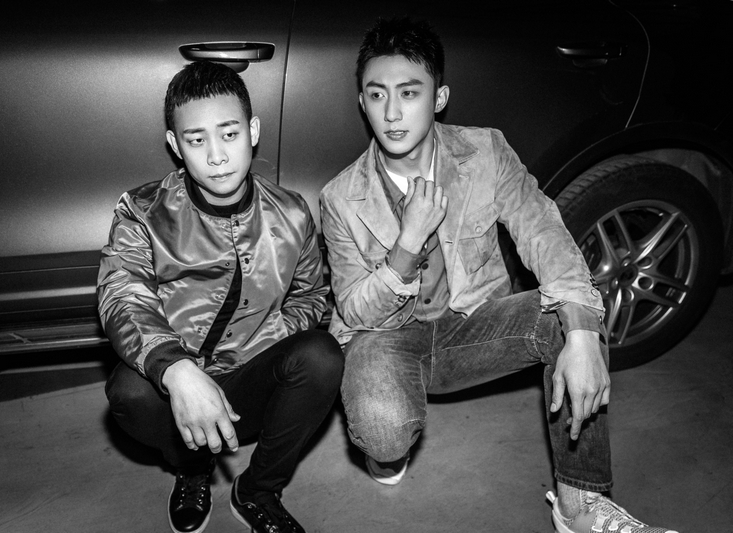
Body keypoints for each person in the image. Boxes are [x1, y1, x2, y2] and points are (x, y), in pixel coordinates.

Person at [320, 17, 677, 533]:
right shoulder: (340, 197)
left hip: (473, 329)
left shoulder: (485, 152)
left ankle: (580, 506)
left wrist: (582, 333)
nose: (391, 113)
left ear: (439, 98)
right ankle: (387, 447)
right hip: (386, 337)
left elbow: (541, 228)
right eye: (377, 95)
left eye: (409, 93)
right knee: (384, 430)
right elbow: (354, 310)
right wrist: (407, 244)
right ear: (362, 102)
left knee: (572, 313)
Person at [99, 59, 343, 533]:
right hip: (176, 392)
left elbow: (312, 295)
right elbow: (122, 295)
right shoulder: (142, 211)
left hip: (252, 381)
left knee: (322, 355)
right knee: (128, 392)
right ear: (175, 146)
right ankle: (192, 467)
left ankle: (257, 490)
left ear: (252, 132)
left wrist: (270, 334)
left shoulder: (292, 213)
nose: (216, 156)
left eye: (229, 134)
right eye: (196, 140)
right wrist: (176, 370)